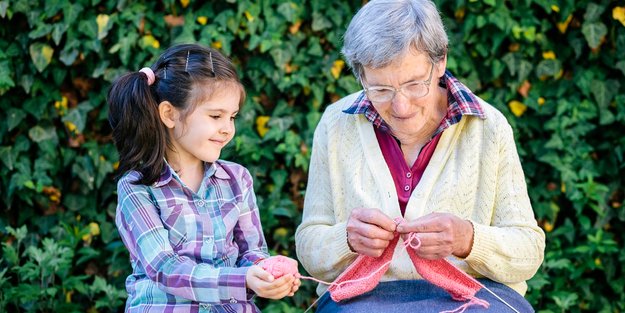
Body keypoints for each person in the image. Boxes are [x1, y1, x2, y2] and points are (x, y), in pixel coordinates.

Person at [295, 0, 545, 312]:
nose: (401, 107)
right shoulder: (337, 124)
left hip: (474, 298)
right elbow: (309, 247)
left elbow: (528, 251)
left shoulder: (488, 127)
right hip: (363, 299)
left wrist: (467, 238)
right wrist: (346, 238)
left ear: (439, 62)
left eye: (415, 85)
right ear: (360, 75)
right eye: (381, 90)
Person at [108, 43, 300, 313]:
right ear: (169, 114)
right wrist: (241, 280)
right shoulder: (138, 189)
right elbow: (165, 268)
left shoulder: (237, 179)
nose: (227, 129)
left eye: (232, 117)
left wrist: (265, 273)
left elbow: (251, 252)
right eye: (215, 116)